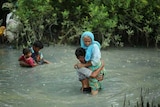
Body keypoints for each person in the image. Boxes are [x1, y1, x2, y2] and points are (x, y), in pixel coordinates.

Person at [75, 31, 105, 95]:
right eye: (85, 41)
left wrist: (102, 74)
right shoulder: (81, 66)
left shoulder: (88, 61)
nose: (87, 43)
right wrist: (102, 66)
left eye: (89, 41)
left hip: (90, 86)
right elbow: (94, 75)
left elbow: (96, 60)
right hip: (86, 89)